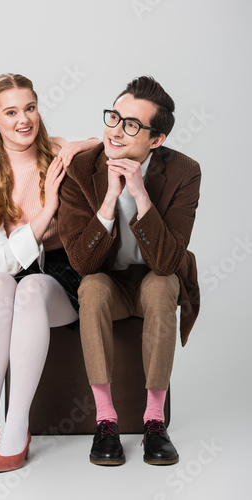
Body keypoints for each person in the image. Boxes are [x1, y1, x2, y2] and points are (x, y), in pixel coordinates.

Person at [58, 76, 201, 466]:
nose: (116, 132)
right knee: (91, 288)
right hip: (108, 282)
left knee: (160, 286)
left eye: (132, 125)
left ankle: (155, 421)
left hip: (154, 278)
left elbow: (169, 262)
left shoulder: (184, 172)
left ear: (157, 140)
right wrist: (109, 198)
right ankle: (106, 421)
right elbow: (83, 264)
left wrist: (139, 193)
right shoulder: (82, 168)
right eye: (114, 117)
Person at [0, 73, 99, 473]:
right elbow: (4, 261)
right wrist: (47, 210)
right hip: (7, 275)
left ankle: (16, 422)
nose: (24, 119)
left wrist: (76, 145)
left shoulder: (55, 151)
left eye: (30, 108)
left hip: (60, 277)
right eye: (11, 112)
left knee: (27, 290)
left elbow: (102, 144)